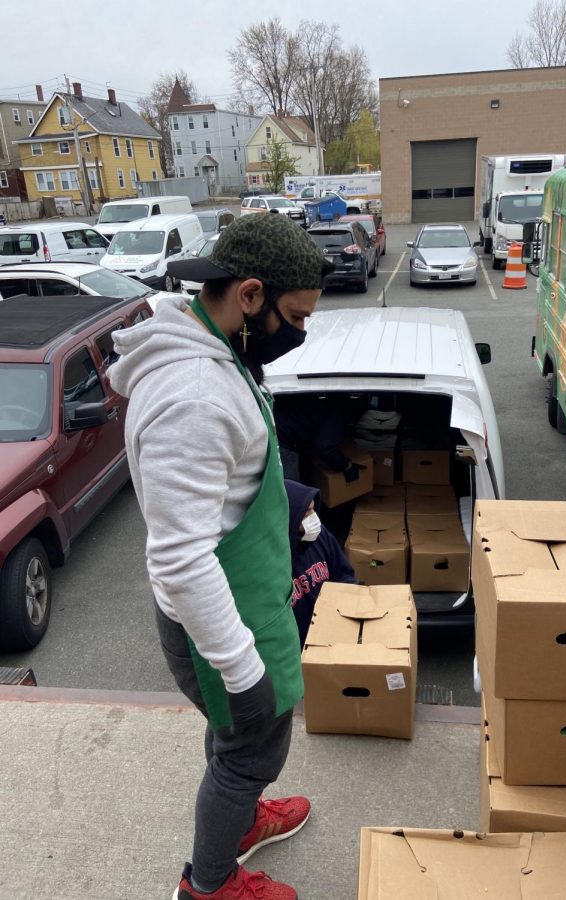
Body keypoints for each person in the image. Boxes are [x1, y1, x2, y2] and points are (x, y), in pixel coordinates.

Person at [109, 214, 332, 900]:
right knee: (249, 749)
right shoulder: (194, 396)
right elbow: (180, 557)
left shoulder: (215, 347)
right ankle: (208, 886)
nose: (300, 333)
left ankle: (237, 821)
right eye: (294, 317)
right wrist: (240, 669)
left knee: (237, 746)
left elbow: (217, 488)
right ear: (250, 295)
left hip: (241, 595)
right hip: (217, 621)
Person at [285, 479, 356, 645]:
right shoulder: (273, 563)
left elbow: (344, 574)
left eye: (313, 509)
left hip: (331, 632)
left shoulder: (320, 536)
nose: (313, 518)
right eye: (306, 513)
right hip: (298, 649)